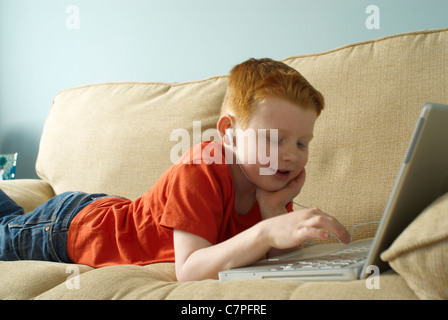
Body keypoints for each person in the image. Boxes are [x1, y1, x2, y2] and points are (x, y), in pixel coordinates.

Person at [0, 58, 350, 281]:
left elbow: (275, 263)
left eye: (302, 143)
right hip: (73, 228)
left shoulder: (268, 180)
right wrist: (266, 233)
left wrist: (273, 214)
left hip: (112, 208)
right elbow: (191, 269)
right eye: (274, 140)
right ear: (228, 133)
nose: (290, 156)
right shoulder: (202, 166)